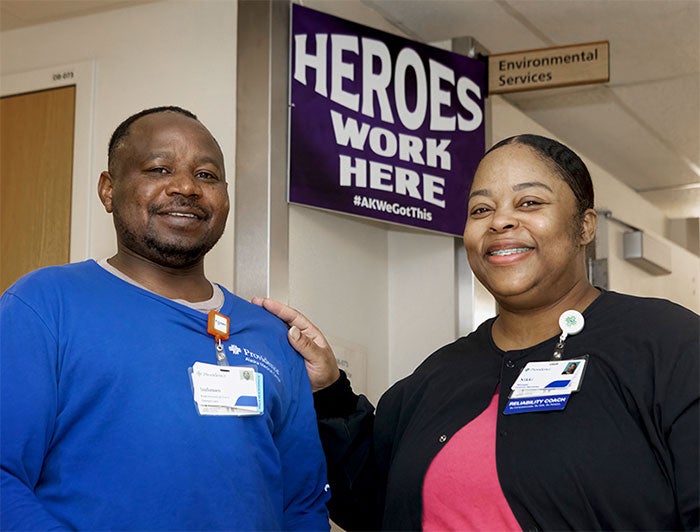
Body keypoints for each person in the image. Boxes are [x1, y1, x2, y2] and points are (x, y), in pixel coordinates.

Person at [254, 134, 699, 531]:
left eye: (529, 203)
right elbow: (372, 504)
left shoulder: (667, 343)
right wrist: (330, 391)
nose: (500, 222)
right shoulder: (438, 376)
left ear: (584, 226)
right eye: (481, 209)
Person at [0, 106, 330, 531]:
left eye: (207, 175)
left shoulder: (269, 335)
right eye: (159, 169)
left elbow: (303, 504)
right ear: (108, 190)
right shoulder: (46, 305)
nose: (187, 188)